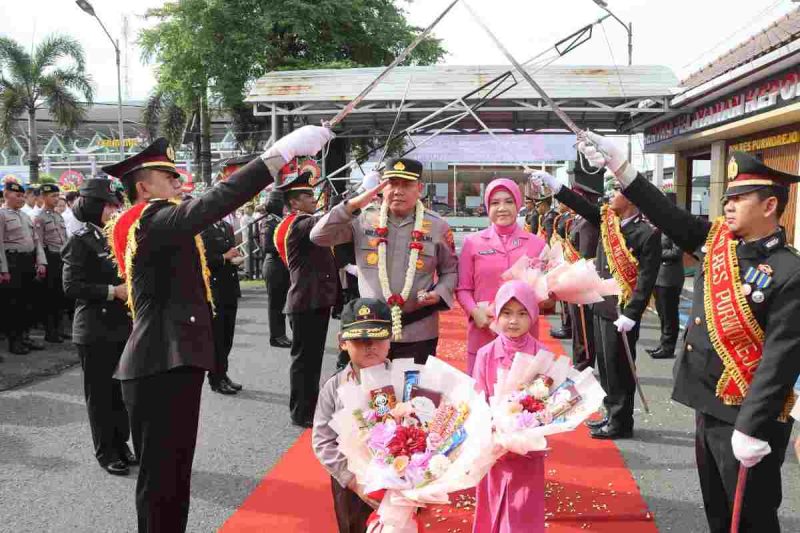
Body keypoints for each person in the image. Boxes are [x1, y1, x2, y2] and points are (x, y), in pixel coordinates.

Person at [104, 125, 332, 532]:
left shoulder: (156, 222)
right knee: (163, 481)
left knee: (173, 477)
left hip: (167, 362)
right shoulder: (152, 221)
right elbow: (218, 199)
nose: (178, 180)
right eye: (168, 175)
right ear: (142, 187)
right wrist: (277, 155)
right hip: (160, 364)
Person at [580, 133, 800, 533]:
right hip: (707, 402)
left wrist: (751, 425)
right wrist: (620, 168)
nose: (727, 205)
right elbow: (666, 213)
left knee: (753, 518)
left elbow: (780, 359)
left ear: (770, 205)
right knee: (718, 511)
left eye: (739, 199)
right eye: (727, 198)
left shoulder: (789, 271)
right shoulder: (718, 244)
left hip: (748, 414)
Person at [532, 169, 661, 440]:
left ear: (630, 197)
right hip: (601, 306)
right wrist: (557, 187)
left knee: (620, 368)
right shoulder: (607, 222)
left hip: (622, 313)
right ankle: (612, 413)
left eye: (616, 191)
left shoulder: (646, 233)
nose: (610, 196)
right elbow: (582, 206)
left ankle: (621, 421)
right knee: (606, 365)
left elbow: (645, 280)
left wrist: (632, 314)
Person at [311, 159, 458, 365]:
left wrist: (439, 293)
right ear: (382, 187)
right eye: (392, 183)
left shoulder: (437, 226)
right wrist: (352, 205)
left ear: (419, 188)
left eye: (406, 185)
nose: (398, 191)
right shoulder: (363, 219)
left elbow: (450, 271)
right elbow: (318, 236)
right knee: (370, 385)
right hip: (369, 330)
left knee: (413, 385)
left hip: (418, 331)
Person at [62, 178, 133, 476]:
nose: (114, 210)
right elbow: (71, 286)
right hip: (94, 328)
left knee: (121, 392)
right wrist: (112, 291)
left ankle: (122, 443)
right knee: (101, 394)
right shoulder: (80, 240)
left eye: (115, 205)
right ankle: (106, 451)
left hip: (120, 325)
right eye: (108, 206)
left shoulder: (112, 236)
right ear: (92, 206)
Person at [472, 280, 546, 533]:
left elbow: (549, 403)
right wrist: (492, 428)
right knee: (493, 500)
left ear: (533, 315)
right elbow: (478, 398)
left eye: (522, 313)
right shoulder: (485, 353)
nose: (514, 321)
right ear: (497, 315)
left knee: (523, 506)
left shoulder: (542, 354)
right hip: (494, 446)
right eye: (507, 313)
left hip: (528, 447)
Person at [312, 297, 391, 533]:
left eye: (378, 338)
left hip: (398, 481)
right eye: (360, 340)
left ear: (390, 339)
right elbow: (322, 440)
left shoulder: (405, 380)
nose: (370, 346)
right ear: (342, 342)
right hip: (351, 484)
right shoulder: (334, 387)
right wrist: (353, 481)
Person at [456, 178, 547, 375]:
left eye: (509, 201)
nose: (502, 208)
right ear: (487, 207)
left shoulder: (537, 244)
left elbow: (546, 292)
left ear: (518, 204)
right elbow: (463, 288)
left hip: (524, 337)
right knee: (481, 390)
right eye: (495, 203)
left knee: (524, 392)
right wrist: (475, 312)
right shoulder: (472, 243)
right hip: (483, 332)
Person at [275, 163, 339, 428]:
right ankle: (301, 412)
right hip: (306, 302)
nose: (314, 199)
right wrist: (347, 203)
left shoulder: (300, 223)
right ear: (294, 202)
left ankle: (308, 408)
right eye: (308, 196)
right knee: (305, 362)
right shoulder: (298, 224)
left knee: (312, 361)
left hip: (314, 301)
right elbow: (325, 221)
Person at [0, 179, 47, 355]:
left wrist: (41, 261)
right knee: (14, 304)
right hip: (12, 262)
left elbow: (36, 241)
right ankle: (15, 341)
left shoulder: (25, 216)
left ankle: (25, 337)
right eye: (17, 195)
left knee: (28, 302)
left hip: (28, 261)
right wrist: (3, 269)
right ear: (6, 195)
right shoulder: (2, 215)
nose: (21, 199)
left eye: (22, 196)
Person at [201, 215, 244, 395]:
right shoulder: (204, 228)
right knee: (218, 337)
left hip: (229, 287)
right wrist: (224, 257)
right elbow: (203, 260)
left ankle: (223, 374)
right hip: (216, 289)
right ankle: (216, 379)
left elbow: (230, 250)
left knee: (228, 336)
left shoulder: (226, 226)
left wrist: (235, 257)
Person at [564, 182, 602, 371]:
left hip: (582, 281)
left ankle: (584, 364)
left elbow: (585, 255)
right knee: (578, 327)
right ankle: (579, 361)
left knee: (583, 327)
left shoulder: (587, 223)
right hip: (574, 278)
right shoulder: (578, 220)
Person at [648, 190, 684, 360]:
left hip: (670, 277)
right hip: (659, 277)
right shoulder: (660, 224)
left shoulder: (676, 226)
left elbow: (676, 252)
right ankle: (663, 344)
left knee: (669, 314)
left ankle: (668, 347)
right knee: (662, 313)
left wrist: (656, 253)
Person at [33, 182, 68, 343]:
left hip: (62, 258)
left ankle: (59, 329)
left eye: (57, 195)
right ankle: (51, 331)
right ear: (43, 197)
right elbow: (38, 243)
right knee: (50, 296)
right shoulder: (39, 218)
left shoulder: (58, 216)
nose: (56, 199)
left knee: (61, 295)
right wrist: (41, 263)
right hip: (50, 258)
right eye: (53, 196)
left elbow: (64, 239)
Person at [260, 188, 292, 348]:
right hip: (274, 265)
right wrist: (287, 247)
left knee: (282, 302)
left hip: (281, 265)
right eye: (280, 203)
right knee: (276, 303)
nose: (283, 206)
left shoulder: (279, 221)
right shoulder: (269, 222)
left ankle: (281, 334)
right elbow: (267, 247)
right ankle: (276, 336)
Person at [549, 203, 573, 340]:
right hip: (560, 260)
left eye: (561, 202)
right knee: (563, 298)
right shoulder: (561, 217)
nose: (559, 205)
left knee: (567, 299)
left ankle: (567, 327)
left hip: (567, 260)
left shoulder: (569, 219)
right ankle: (565, 324)